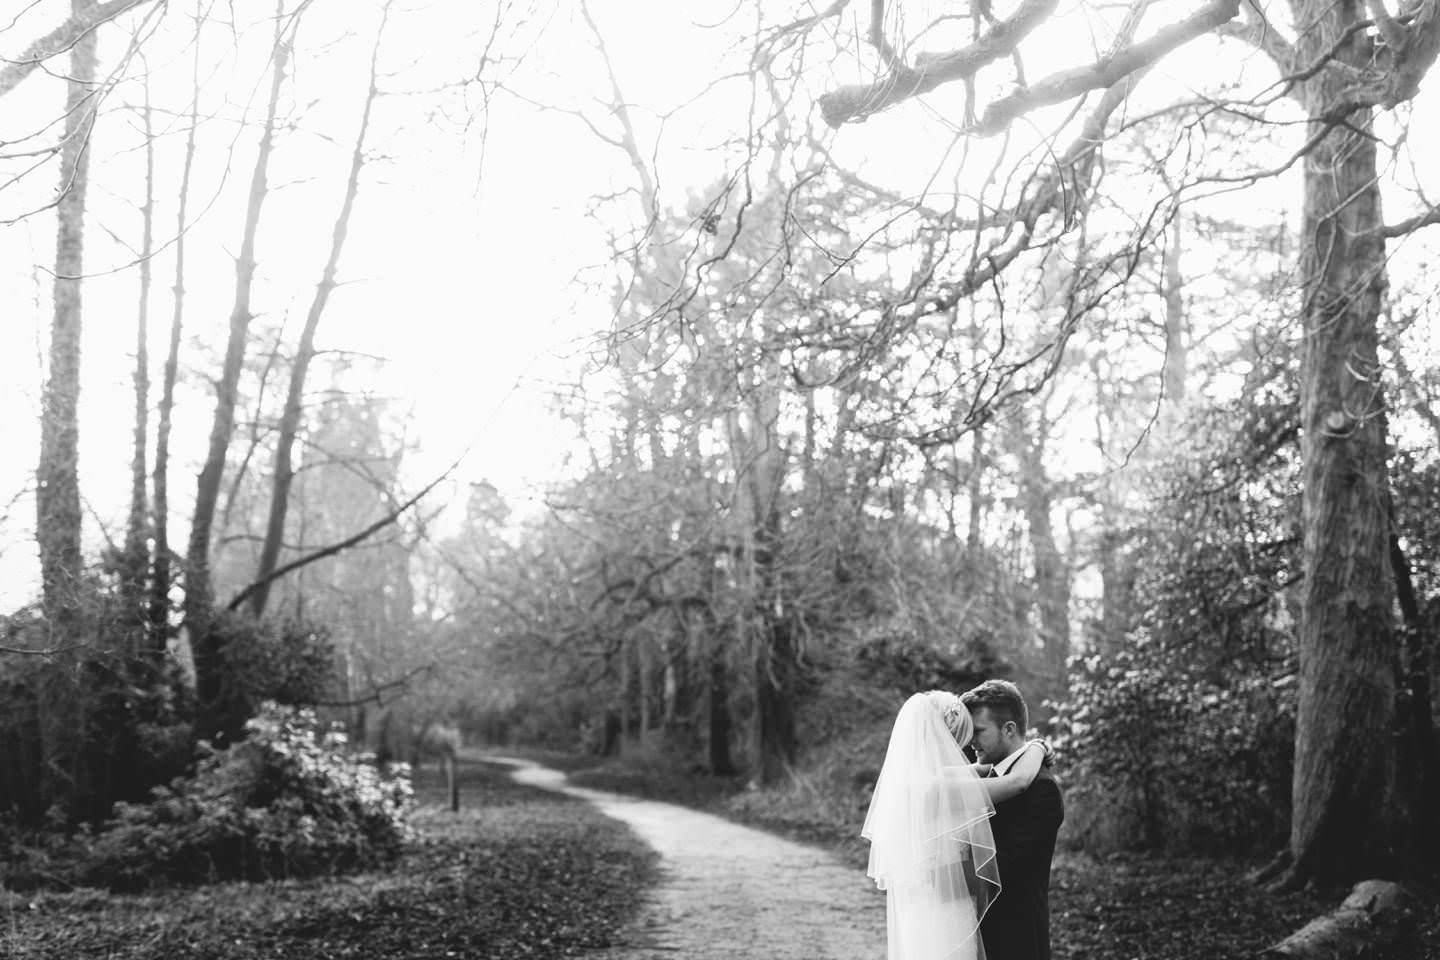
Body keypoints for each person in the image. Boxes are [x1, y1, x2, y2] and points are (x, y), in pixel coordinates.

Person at [862, 691, 1049, 960]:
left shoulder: (920, 779)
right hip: (948, 911)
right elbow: (1016, 782)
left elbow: (981, 770)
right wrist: (1039, 747)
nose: (968, 746)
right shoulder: (937, 786)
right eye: (961, 739)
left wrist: (1028, 748)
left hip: (931, 907)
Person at [962, 680, 1064, 960]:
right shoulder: (991, 772)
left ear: (1008, 729)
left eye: (978, 731)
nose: (971, 741)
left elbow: (1003, 870)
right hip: (975, 934)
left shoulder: (1041, 789)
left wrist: (931, 877)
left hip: (1015, 942)